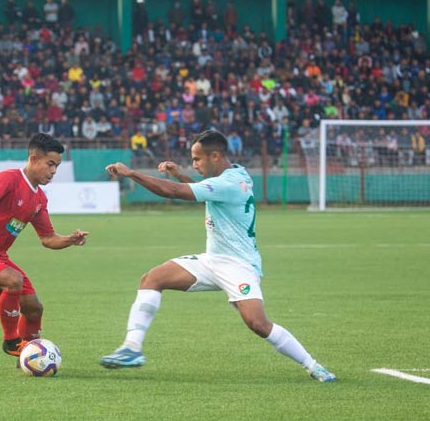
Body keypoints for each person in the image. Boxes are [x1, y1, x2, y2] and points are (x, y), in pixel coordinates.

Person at [100, 130, 336, 382]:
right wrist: (180, 174)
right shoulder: (235, 174)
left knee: (257, 323)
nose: (194, 164)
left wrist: (132, 174)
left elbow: (175, 192)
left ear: (215, 155)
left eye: (197, 159)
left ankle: (313, 365)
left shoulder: (228, 183)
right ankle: (131, 348)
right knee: (152, 278)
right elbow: (203, 192)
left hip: (239, 265)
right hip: (212, 260)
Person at [0, 133, 89, 359]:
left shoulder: (39, 199)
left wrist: (70, 240)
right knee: (13, 280)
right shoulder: (10, 178)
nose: (54, 171)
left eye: (57, 166)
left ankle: (32, 357)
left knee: (34, 308)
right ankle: (11, 341)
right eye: (50, 164)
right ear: (34, 159)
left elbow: (48, 239)